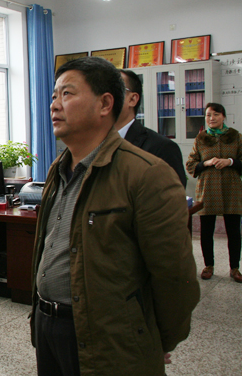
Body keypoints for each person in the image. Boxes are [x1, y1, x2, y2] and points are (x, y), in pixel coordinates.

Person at [31, 57, 200, 376]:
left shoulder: (146, 173)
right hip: (48, 326)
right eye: (54, 95)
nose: (54, 105)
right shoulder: (58, 167)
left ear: (105, 103)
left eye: (67, 93)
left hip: (107, 337)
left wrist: (154, 338)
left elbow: (175, 277)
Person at [186, 102, 242, 283]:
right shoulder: (200, 138)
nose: (212, 118)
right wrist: (207, 163)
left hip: (231, 189)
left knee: (234, 231)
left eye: (216, 114)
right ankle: (208, 266)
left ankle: (235, 268)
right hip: (208, 190)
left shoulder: (236, 137)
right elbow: (191, 165)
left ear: (223, 116)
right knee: (206, 231)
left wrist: (230, 162)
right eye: (208, 115)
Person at [115, 69, 187, 187]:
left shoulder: (162, 148)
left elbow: (171, 196)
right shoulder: (92, 144)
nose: (104, 96)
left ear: (132, 99)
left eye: (113, 89)